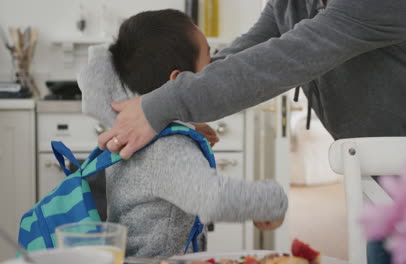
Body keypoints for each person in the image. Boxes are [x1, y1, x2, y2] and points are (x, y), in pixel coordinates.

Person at [84, 0, 406, 263]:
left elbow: (276, 63)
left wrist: (162, 105)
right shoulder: (290, 2)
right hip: (386, 185)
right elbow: (244, 55)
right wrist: (173, 107)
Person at [77, 9, 287, 258]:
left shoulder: (137, 133)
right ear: (179, 80)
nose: (214, 68)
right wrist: (272, 200)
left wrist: (185, 128)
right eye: (209, 57)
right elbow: (211, 198)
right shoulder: (166, 147)